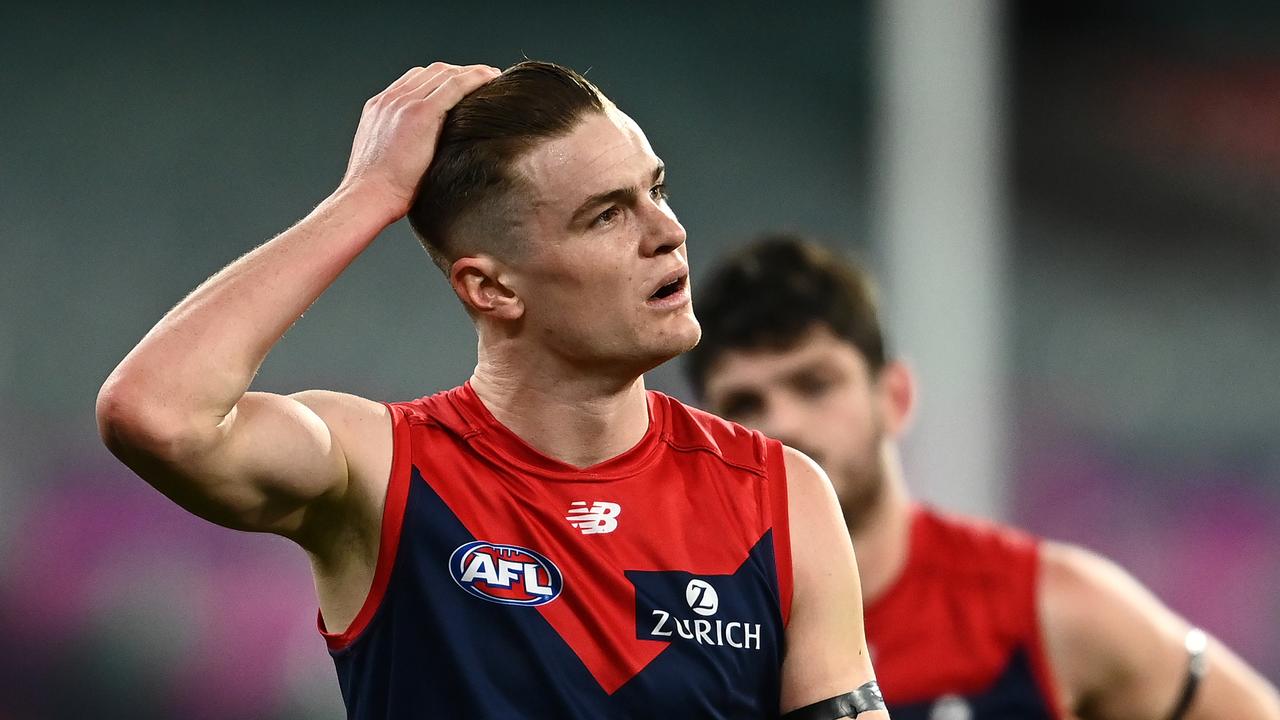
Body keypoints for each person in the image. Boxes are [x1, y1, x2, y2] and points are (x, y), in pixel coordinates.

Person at [95, 62, 889, 719]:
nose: (667, 231)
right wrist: (367, 195)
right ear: (491, 288)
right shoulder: (378, 471)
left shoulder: (777, 495)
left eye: (657, 188)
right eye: (608, 215)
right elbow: (156, 414)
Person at [686, 235, 1280, 720]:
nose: (781, 425)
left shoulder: (1047, 609)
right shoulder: (679, 638)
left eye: (814, 385)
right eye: (743, 403)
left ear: (895, 396)